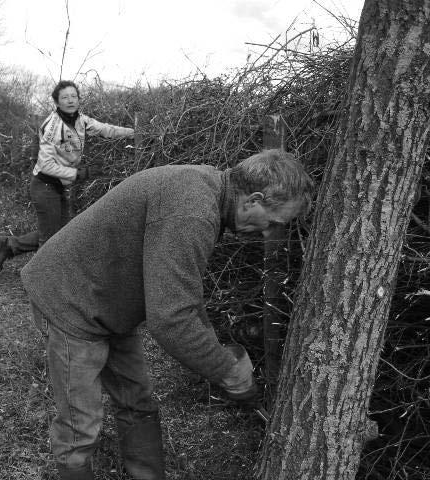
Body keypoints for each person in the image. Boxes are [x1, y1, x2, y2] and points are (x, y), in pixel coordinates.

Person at [20, 149, 314, 480]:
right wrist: (225, 371)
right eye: (272, 222)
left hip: (106, 300)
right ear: (253, 200)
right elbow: (170, 318)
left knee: (137, 401)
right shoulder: (192, 211)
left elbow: (183, 297)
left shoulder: (206, 190)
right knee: (81, 423)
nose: (265, 233)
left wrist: (218, 355)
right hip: (69, 300)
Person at [0, 80, 135, 271]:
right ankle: (40, 280)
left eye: (74, 96)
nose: (70, 100)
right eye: (65, 97)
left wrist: (135, 133)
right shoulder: (52, 127)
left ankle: (9, 245)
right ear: (57, 102)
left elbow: (105, 129)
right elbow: (46, 165)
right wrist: (80, 173)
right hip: (44, 185)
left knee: (62, 232)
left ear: (78, 99)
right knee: (50, 240)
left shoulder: (81, 120)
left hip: (59, 185)